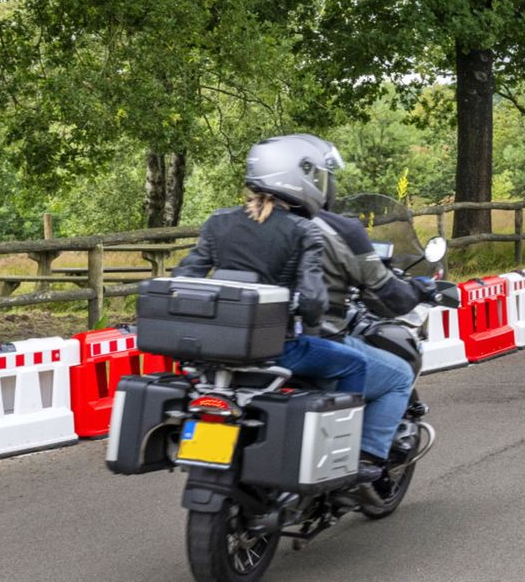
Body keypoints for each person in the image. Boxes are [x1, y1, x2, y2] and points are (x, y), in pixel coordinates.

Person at [173, 139, 371, 466]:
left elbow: (185, 276)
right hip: (276, 350)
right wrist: (312, 324)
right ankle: (339, 458)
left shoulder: (217, 222)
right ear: (299, 179)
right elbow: (312, 301)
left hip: (212, 353)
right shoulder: (303, 230)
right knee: (355, 363)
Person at [276, 135, 428, 468]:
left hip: (253, 345)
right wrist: (419, 290)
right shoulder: (339, 229)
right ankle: (367, 459)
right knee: (399, 376)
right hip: (312, 342)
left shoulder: (244, 222)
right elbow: (388, 291)